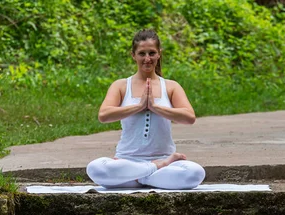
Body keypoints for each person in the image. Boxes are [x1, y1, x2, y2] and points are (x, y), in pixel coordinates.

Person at [86, 29, 205, 189]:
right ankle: (151, 171)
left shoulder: (171, 86)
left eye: (152, 53)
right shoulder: (121, 85)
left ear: (159, 54)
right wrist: (138, 106)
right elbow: (104, 115)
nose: (147, 59)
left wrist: (155, 107)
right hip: (127, 161)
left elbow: (189, 117)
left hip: (164, 160)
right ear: (133, 55)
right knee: (96, 168)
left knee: (195, 173)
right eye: (142, 53)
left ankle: (136, 179)